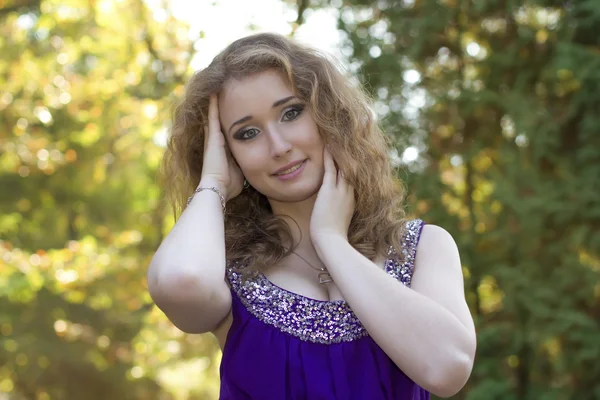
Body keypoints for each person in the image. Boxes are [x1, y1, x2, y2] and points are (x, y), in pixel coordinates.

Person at [147, 32, 476, 399]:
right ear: (227, 153)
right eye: (247, 133)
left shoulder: (422, 248)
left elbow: (448, 368)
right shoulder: (227, 273)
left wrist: (331, 240)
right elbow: (180, 282)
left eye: (291, 112)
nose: (279, 146)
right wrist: (212, 182)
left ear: (328, 114)